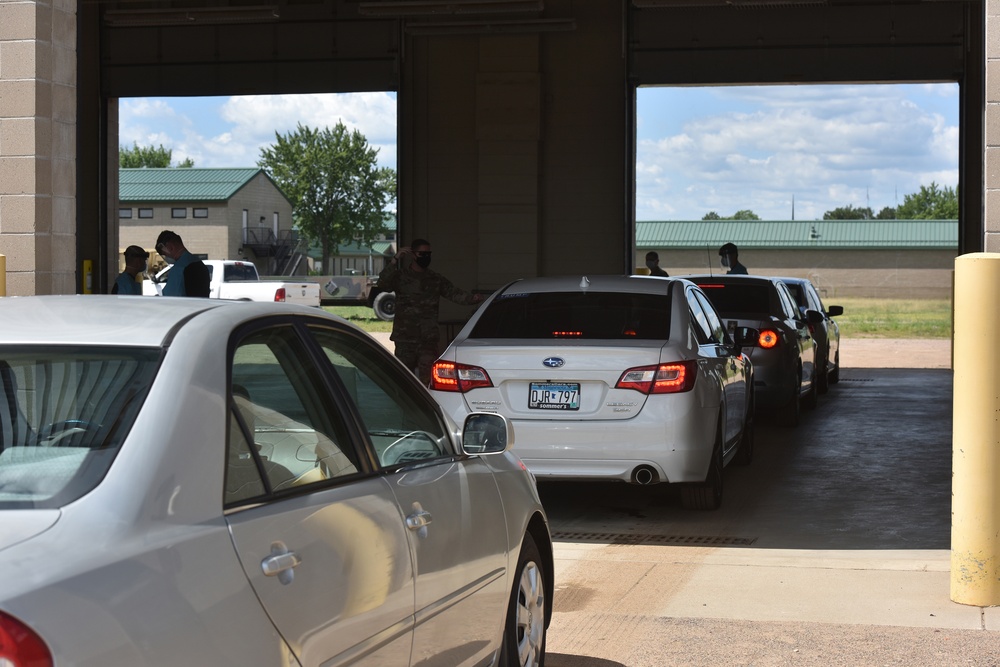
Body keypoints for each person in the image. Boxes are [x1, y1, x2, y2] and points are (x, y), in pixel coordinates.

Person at [376, 238, 483, 385]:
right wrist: (395, 260)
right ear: (413, 255)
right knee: (402, 380)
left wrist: (474, 299)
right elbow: (382, 284)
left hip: (427, 339)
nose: (426, 257)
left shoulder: (435, 279)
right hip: (405, 339)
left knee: (429, 381)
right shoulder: (401, 276)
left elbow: (454, 293)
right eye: (422, 253)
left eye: (429, 253)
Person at [155, 230, 211, 297]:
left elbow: (170, 298)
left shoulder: (178, 269)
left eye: (164, 254)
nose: (165, 257)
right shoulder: (200, 264)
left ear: (170, 247)